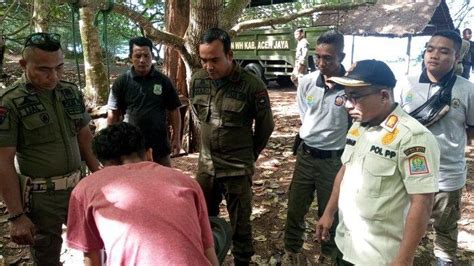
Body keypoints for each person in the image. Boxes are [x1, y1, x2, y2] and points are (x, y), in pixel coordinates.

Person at [316, 59, 440, 265]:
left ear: (383, 95)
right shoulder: (359, 126)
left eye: (355, 97)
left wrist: (404, 258)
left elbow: (422, 202)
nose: (347, 104)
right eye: (346, 96)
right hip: (346, 243)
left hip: (379, 255)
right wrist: (329, 212)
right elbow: (345, 170)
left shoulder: (413, 137)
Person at [0, 32, 99, 265]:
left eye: (59, 68)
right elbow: (3, 161)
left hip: (79, 189)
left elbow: (85, 138)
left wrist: (100, 176)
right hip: (41, 199)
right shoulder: (9, 102)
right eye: (44, 69)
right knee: (47, 257)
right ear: (24, 65)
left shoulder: (70, 92)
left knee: (95, 246)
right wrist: (16, 215)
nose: (53, 76)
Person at [66, 122, 219, 266]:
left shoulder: (85, 189)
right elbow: (208, 250)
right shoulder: (186, 182)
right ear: (149, 154)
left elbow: (92, 258)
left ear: (102, 164)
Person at [190, 27, 274, 265]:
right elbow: (199, 116)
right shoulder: (197, 81)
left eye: (215, 59)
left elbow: (266, 127)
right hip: (206, 168)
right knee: (203, 220)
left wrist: (249, 155)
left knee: (241, 224)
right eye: (204, 60)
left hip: (237, 168)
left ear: (229, 55)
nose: (208, 66)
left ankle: (241, 261)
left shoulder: (252, 85)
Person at [394, 30, 474, 265]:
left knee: (445, 229)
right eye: (430, 49)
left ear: (457, 57)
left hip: (447, 175)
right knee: (401, 225)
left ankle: (444, 260)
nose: (434, 55)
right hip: (407, 172)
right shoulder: (405, 83)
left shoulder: (467, 90)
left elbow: (471, 130)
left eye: (444, 51)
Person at [283, 30, 348, 264]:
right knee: (295, 207)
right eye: (317, 57)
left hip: (333, 161)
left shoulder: (350, 87)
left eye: (328, 58)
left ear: (341, 56)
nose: (321, 63)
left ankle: (328, 255)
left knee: (329, 212)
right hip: (306, 155)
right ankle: (293, 252)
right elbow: (306, 115)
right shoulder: (308, 82)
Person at [107, 36, 181, 167]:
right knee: (134, 183)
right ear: (131, 57)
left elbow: (174, 110)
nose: (142, 60)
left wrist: (176, 138)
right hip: (131, 147)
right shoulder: (122, 82)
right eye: (138, 56)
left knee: (163, 182)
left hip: (159, 145)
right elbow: (113, 113)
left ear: (152, 56)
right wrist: (111, 144)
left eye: (146, 56)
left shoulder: (163, 81)